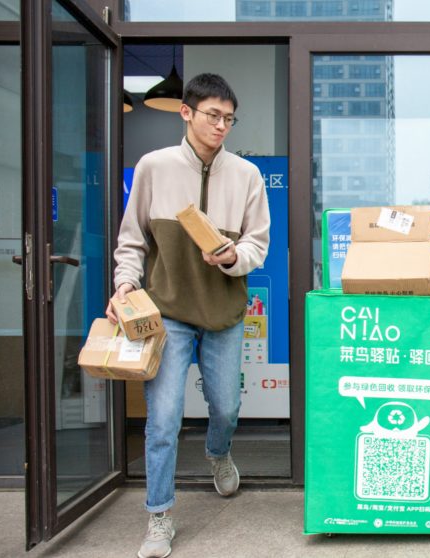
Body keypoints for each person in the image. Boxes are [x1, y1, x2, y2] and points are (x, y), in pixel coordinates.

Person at [107, 73, 270, 558]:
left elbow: (257, 244)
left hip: (222, 309)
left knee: (225, 407)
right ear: (186, 112)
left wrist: (230, 257)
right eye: (212, 115)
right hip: (167, 311)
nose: (221, 126)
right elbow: (132, 238)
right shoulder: (153, 167)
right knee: (162, 420)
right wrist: (124, 285)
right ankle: (159, 517)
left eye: (228, 118)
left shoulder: (246, 175)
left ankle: (218, 454)